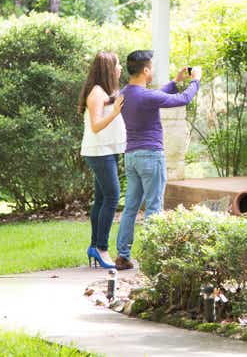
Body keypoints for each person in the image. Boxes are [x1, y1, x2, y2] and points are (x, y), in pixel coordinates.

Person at [114, 50, 201, 270]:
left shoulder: (126, 93)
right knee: (154, 206)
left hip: (131, 156)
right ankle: (153, 257)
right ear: (145, 71)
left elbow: (155, 98)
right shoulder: (146, 96)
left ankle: (123, 255)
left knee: (131, 208)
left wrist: (175, 81)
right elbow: (183, 99)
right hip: (151, 156)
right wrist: (196, 81)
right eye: (151, 67)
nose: (152, 70)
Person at [78, 51, 126, 269]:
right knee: (112, 196)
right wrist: (115, 112)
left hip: (106, 150)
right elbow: (96, 126)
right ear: (109, 68)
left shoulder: (106, 91)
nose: (120, 69)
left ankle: (94, 246)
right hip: (99, 151)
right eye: (117, 65)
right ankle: (101, 248)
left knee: (101, 199)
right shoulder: (96, 93)